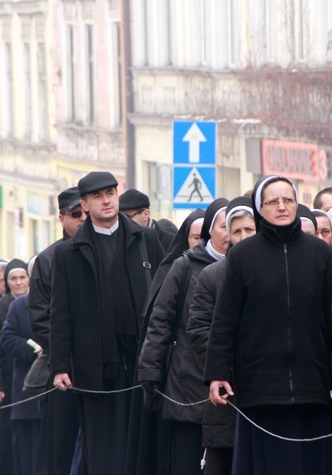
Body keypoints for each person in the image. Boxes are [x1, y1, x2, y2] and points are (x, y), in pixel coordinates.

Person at [205, 175, 332, 474]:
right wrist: (217, 373)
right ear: (259, 208)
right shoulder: (242, 256)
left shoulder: (320, 253)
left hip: (310, 382)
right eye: (272, 201)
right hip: (260, 385)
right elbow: (225, 320)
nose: (282, 206)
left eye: (288, 199)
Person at [50, 171, 165, 474]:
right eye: (98, 197)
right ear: (85, 205)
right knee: (103, 448)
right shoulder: (67, 253)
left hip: (141, 359)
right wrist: (60, 365)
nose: (106, 201)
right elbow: (60, 313)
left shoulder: (146, 238)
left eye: (111, 194)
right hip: (95, 364)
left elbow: (164, 297)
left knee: (142, 443)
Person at [138, 198, 229, 475]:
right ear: (210, 230)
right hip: (187, 382)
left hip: (230, 388)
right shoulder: (186, 265)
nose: (231, 234)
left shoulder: (246, 267)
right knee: (187, 461)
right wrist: (150, 372)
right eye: (225, 227)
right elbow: (161, 321)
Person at [127, 207, 206, 475]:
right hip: (179, 382)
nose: (199, 243)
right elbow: (158, 326)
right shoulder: (177, 270)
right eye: (194, 237)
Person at [186, 196, 256, 475]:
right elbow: (198, 329)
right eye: (235, 230)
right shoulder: (212, 275)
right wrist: (225, 364)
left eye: (249, 229)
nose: (241, 236)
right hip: (227, 389)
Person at [27, 186, 85, 475]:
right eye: (76, 215)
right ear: (61, 218)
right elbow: (40, 319)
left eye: (86, 214)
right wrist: (65, 356)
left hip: (103, 368)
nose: (83, 220)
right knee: (58, 445)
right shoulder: (47, 260)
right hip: (63, 368)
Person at [0, 258, 30, 475]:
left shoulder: (38, 302)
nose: (19, 282)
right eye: (13, 278)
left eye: (22, 277)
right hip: (6, 376)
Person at [1, 284, 43, 475]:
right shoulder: (19, 306)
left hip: (58, 388)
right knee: (28, 451)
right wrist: (35, 350)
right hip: (28, 386)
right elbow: (8, 337)